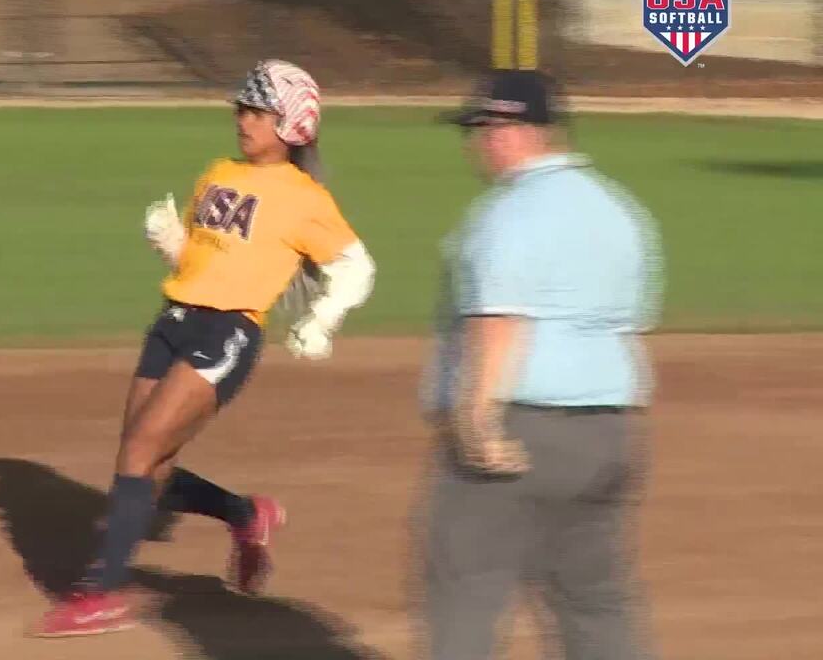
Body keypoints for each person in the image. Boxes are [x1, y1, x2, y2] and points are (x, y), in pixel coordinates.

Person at [36, 59, 377, 638]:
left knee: (140, 450)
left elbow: (355, 267)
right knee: (149, 467)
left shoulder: (303, 197)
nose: (242, 119)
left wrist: (321, 318)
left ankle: (102, 592)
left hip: (228, 335)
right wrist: (173, 244)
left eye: (256, 110)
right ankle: (247, 515)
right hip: (172, 321)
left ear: (291, 124)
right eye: (241, 108)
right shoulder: (218, 173)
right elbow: (205, 261)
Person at [415, 69, 662, 659]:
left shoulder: (507, 214)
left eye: (479, 127)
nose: (474, 142)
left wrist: (476, 423)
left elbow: (500, 322)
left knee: (466, 591)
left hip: (522, 429)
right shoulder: (620, 211)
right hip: (610, 431)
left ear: (511, 130)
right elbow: (630, 323)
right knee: (594, 597)